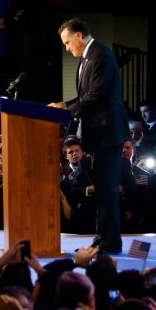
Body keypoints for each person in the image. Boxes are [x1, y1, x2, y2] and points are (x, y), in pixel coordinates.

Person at [49, 18, 129, 254]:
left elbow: (96, 94)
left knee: (107, 190)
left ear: (79, 35)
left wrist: (66, 112)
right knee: (102, 191)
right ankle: (101, 238)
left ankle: (111, 243)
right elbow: (86, 95)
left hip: (107, 134)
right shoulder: (88, 57)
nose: (67, 47)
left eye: (67, 42)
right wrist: (63, 104)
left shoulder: (101, 56)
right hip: (98, 136)